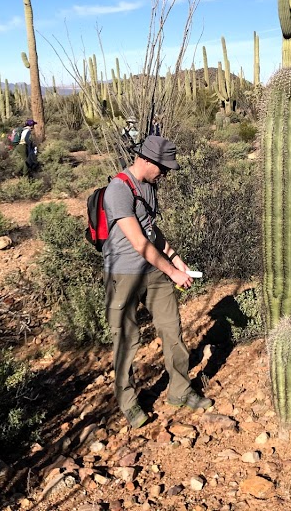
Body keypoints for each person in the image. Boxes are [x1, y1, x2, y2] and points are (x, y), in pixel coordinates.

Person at [102, 134, 211, 428]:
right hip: (122, 274)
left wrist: (176, 260)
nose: (165, 174)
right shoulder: (118, 190)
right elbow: (139, 243)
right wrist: (173, 272)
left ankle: (180, 390)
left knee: (172, 329)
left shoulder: (148, 188)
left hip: (153, 271)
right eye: (162, 168)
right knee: (127, 339)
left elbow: (152, 232)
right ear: (146, 160)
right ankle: (128, 402)